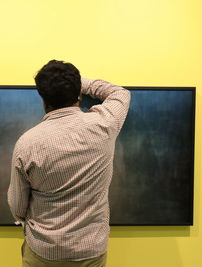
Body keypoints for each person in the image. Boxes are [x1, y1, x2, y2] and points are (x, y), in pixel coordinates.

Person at [7, 60, 131, 267]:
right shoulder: (104, 125)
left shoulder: (27, 143)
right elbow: (120, 93)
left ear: (43, 97)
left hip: (44, 250)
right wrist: (77, 83)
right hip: (90, 250)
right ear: (78, 93)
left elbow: (17, 205)